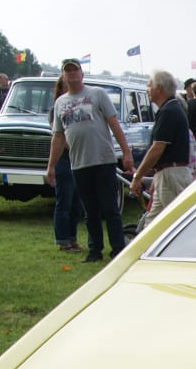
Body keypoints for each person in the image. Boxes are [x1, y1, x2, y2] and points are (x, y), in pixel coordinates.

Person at [46, 59, 133, 263]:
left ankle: (117, 248)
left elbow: (114, 124)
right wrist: (51, 166)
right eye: (68, 71)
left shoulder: (97, 94)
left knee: (110, 208)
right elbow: (58, 137)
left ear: (81, 74)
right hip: (79, 163)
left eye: (75, 70)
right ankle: (95, 250)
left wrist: (126, 153)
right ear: (64, 77)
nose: (72, 74)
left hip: (103, 160)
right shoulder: (60, 103)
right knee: (90, 210)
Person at [129, 69, 192, 223]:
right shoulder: (169, 109)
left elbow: (157, 149)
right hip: (166, 174)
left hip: (171, 175)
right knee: (152, 224)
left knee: (177, 223)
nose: (147, 89)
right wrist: (156, 177)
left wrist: (138, 177)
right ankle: (147, 248)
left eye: (149, 85)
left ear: (159, 88)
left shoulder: (169, 111)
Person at [48, 73, 85, 252]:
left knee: (76, 203)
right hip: (64, 160)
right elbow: (59, 136)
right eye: (65, 85)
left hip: (78, 159)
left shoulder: (78, 108)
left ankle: (72, 238)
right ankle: (63, 240)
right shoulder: (56, 109)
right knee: (64, 202)